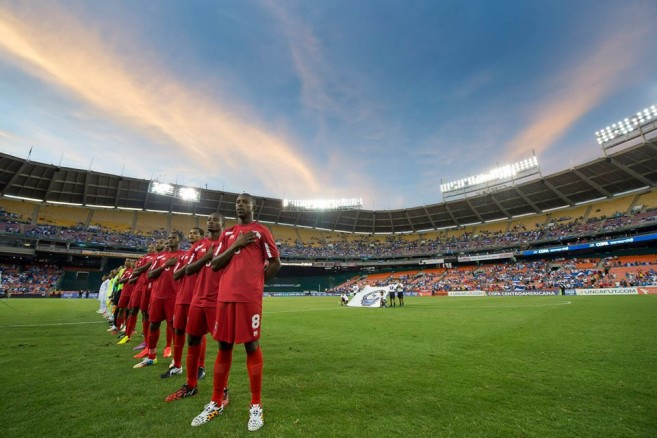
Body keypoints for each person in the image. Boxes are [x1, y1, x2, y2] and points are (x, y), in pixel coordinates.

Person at [191, 194, 281, 432]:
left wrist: (256, 285)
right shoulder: (228, 234)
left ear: (254, 206)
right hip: (225, 298)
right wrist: (236, 245)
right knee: (224, 346)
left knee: (251, 345)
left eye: (244, 201)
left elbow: (275, 262)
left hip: (248, 299)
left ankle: (256, 405)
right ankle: (216, 401)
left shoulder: (262, 231)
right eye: (237, 202)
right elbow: (215, 264)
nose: (239, 204)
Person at [165, 214, 228, 401]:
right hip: (197, 299)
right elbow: (187, 270)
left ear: (223, 224)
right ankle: (191, 385)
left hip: (219, 300)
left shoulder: (228, 243)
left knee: (223, 345)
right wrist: (206, 258)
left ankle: (222, 390)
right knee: (192, 340)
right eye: (209, 219)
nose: (211, 222)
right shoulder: (198, 246)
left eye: (216, 220)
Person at [134, 233, 184, 368]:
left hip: (174, 297)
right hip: (157, 296)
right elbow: (150, 274)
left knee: (175, 328)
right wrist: (165, 265)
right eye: (169, 238)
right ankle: (151, 357)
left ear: (180, 240)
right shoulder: (160, 257)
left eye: (173, 238)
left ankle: (175, 360)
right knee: (153, 325)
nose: (170, 240)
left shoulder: (183, 255)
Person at [161, 226, 204, 379]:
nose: (191, 235)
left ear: (202, 236)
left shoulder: (205, 252)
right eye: (190, 233)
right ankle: (177, 365)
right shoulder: (185, 256)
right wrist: (189, 266)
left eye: (195, 233)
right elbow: (175, 275)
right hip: (181, 297)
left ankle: (200, 367)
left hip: (197, 297)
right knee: (178, 330)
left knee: (197, 333)